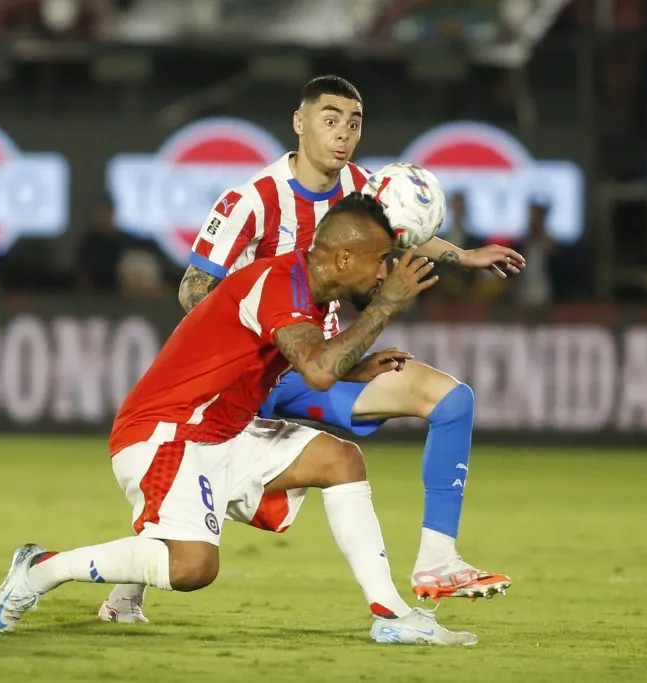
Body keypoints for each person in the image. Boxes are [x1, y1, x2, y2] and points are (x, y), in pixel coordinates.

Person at [99, 74, 521, 624]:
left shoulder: (364, 191)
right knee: (213, 473)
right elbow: (193, 289)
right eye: (330, 119)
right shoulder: (252, 200)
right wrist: (262, 321)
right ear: (300, 123)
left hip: (327, 363)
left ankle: (437, 560)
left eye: (353, 121)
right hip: (263, 373)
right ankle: (125, 583)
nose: (343, 133)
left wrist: (462, 256)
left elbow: (405, 229)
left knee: (451, 399)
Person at [0, 194, 476, 646]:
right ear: (344, 258)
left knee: (340, 459)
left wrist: (352, 364)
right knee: (194, 567)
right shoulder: (281, 282)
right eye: (380, 260)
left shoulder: (306, 290)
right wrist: (387, 305)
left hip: (223, 430)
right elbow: (317, 371)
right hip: (168, 431)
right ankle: (41, 569)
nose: (384, 271)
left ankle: (391, 615)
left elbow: (309, 359)